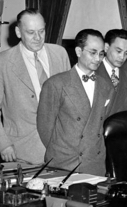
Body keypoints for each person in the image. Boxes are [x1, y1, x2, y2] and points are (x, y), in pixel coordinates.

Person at [37, 29, 114, 176]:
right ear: (78, 51)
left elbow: (102, 123)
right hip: (63, 163)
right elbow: (45, 127)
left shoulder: (106, 85)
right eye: (92, 52)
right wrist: (62, 150)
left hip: (94, 163)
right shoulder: (56, 84)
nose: (98, 58)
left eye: (101, 53)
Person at [0, 9, 70, 164]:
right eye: (31, 32)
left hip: (60, 149)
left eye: (41, 31)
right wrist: (3, 145)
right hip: (21, 151)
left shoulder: (60, 54)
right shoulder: (3, 62)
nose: (38, 38)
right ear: (18, 32)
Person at [96, 29, 127, 117]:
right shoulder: (92, 73)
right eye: (118, 51)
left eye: (126, 53)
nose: (122, 57)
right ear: (106, 47)